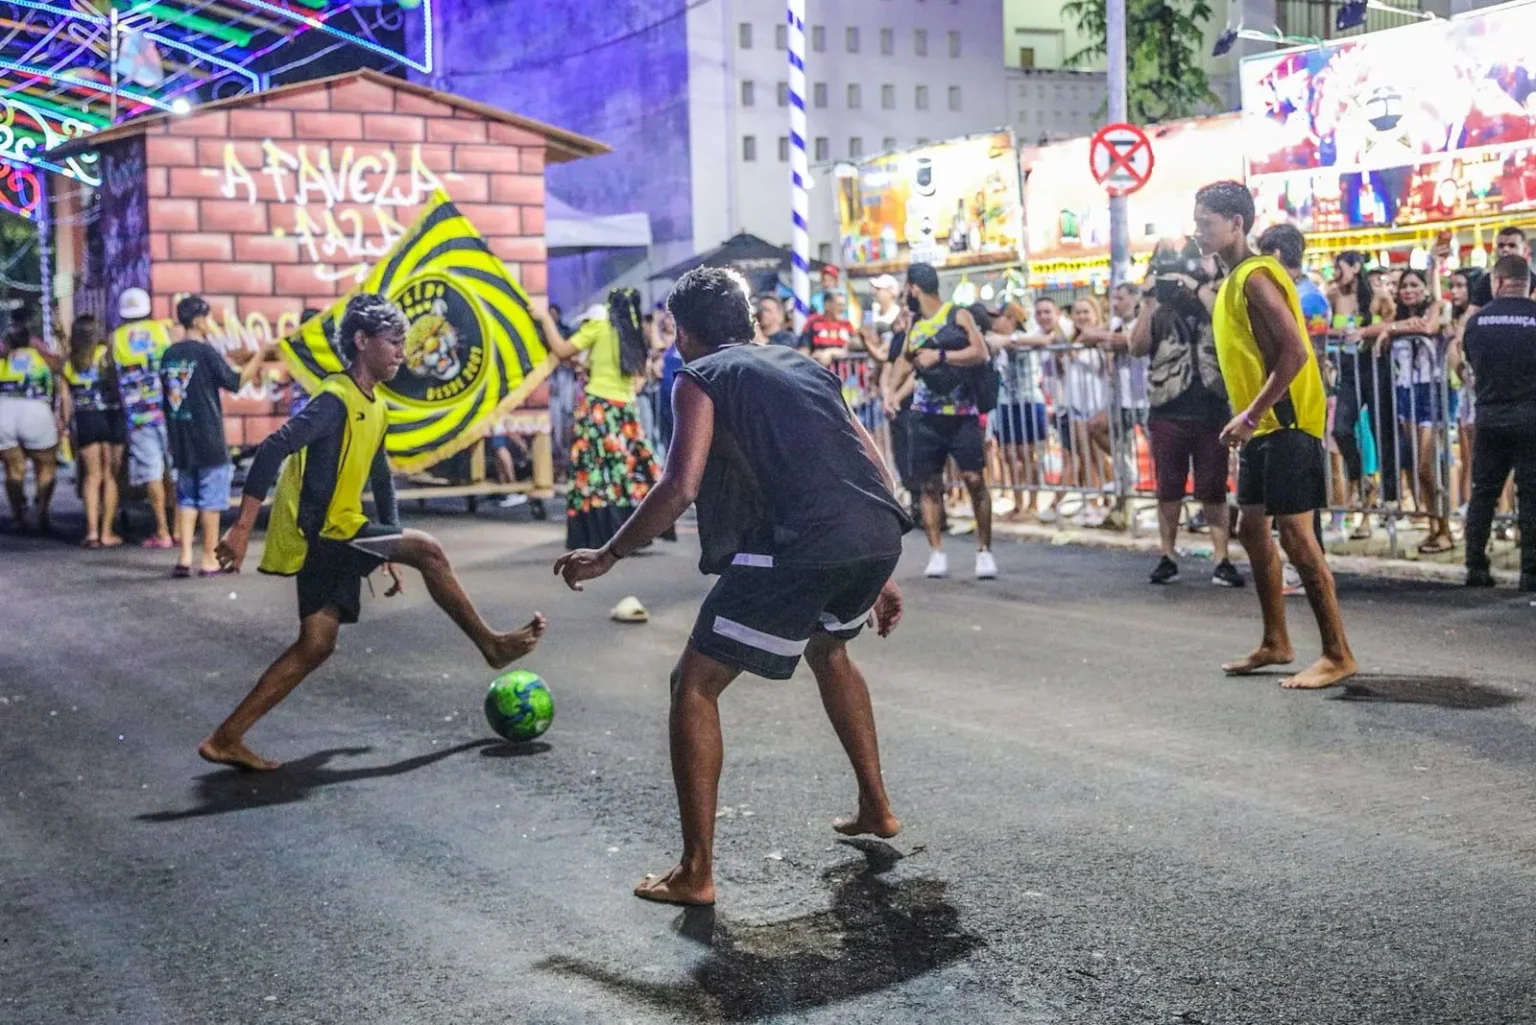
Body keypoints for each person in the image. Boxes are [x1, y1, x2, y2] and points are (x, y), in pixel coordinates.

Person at [553, 267, 909, 906]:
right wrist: (877, 561)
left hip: (802, 542)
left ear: (684, 332)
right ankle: (876, 807)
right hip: (872, 528)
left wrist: (609, 553)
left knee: (694, 684)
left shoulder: (700, 376)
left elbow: (680, 485)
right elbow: (867, 455)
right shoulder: (803, 366)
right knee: (830, 650)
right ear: (747, 323)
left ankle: (696, 872)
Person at [201, 295, 547, 772]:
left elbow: (380, 476)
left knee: (315, 646)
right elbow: (272, 449)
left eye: (404, 342)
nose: (402, 352)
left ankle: (225, 738)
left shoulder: (376, 405)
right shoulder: (335, 399)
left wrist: (388, 541)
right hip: (327, 534)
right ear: (362, 341)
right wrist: (240, 529)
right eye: (394, 342)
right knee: (430, 551)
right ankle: (490, 644)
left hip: (347, 532)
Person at [1193, 180, 1355, 690]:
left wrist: (1250, 414)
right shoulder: (1235, 280)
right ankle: (1276, 642)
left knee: (1298, 538)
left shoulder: (1255, 277)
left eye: (1206, 224)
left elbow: (1295, 352)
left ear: (1236, 224)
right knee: (1251, 529)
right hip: (1264, 426)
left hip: (1285, 423)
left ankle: (1337, 653)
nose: (1199, 233)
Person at [1131, 260, 1241, 587]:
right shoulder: (1159, 311)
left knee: (1213, 487)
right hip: (1168, 408)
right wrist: (1148, 301)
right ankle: (1167, 555)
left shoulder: (1214, 301)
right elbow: (1135, 346)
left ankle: (1222, 558)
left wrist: (1195, 289)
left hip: (1211, 406)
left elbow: (1228, 324)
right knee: (1169, 487)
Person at [887, 262, 996, 580]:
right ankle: (937, 552)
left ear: (914, 289)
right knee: (929, 484)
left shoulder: (957, 315)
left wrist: (943, 357)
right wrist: (891, 393)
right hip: (925, 417)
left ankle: (984, 550)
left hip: (962, 415)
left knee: (974, 480)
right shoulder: (915, 323)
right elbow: (904, 360)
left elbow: (981, 352)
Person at [536, 290, 666, 551]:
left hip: (598, 409)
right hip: (626, 412)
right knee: (625, 473)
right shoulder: (635, 334)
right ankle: (633, 531)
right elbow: (638, 375)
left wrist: (544, 319)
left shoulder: (599, 327)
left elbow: (561, 350)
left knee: (595, 474)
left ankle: (597, 533)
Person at [160, 296, 268, 577]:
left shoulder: (170, 354)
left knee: (187, 499)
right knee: (210, 500)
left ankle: (184, 557)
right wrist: (260, 355)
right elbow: (235, 382)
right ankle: (208, 559)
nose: (211, 324)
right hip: (208, 438)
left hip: (180, 437)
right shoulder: (205, 353)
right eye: (207, 318)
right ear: (197, 320)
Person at [1461, 254, 1536, 590]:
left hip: (1490, 416)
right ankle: (1531, 572)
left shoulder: (1477, 323)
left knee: (1484, 493)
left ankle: (1475, 565)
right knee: (1531, 495)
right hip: (1530, 416)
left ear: (1498, 281)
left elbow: (1471, 365)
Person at [1382, 269, 1452, 553]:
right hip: (1405, 392)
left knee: (1428, 465)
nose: (1408, 290)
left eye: (1414, 284)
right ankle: (1435, 526)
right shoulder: (1395, 316)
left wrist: (1392, 329)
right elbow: (1373, 327)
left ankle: (1445, 529)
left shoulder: (1436, 308)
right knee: (1418, 467)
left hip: (1430, 391)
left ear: (1425, 288)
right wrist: (1387, 327)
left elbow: (1428, 327)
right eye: (1404, 286)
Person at [111, 287, 176, 548]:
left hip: (139, 416)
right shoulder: (162, 331)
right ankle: (178, 527)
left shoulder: (116, 338)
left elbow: (113, 378)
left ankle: (162, 531)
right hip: (168, 411)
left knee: (152, 473)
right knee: (173, 471)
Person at [62, 315, 125, 548]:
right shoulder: (106, 356)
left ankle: (91, 532)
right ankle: (107, 531)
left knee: (91, 476)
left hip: (85, 418)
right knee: (110, 475)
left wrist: (66, 427)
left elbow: (66, 401)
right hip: (111, 415)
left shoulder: (70, 362)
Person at [0, 308, 62, 532]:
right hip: (36, 411)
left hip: (4, 412)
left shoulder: (3, 360)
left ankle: (19, 517)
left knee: (13, 469)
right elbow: (62, 367)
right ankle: (42, 511)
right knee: (45, 465)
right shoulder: (41, 357)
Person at [987, 302, 1048, 521]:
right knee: (1009, 455)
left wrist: (1009, 340)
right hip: (1005, 403)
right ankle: (1018, 502)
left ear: (1011, 319)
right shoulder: (994, 340)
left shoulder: (1026, 334)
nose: (995, 322)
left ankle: (1032, 504)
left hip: (1029, 400)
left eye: (999, 317)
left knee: (1028, 454)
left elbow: (1043, 340)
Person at [1467, 227, 1534, 312]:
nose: (1505, 249)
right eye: (1501, 246)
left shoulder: (1534, 281)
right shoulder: (1485, 281)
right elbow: (1472, 312)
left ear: (1525, 250)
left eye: (1512, 245)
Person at [799, 291, 856, 367]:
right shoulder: (813, 322)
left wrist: (830, 352)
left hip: (844, 375)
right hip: (818, 373)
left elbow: (852, 348)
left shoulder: (847, 325)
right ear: (827, 305)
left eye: (843, 305)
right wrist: (810, 359)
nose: (842, 309)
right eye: (839, 305)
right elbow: (804, 349)